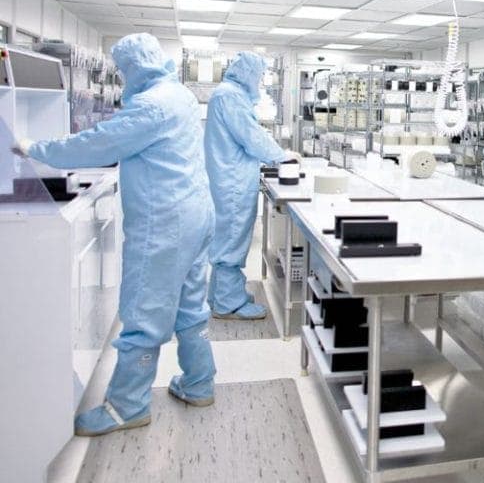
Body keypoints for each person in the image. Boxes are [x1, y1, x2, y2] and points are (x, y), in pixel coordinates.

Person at [12, 33, 216, 436]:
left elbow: (96, 145)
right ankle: (199, 382)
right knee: (190, 306)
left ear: (134, 66)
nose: (122, 78)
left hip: (165, 221)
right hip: (196, 214)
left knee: (144, 310)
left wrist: (34, 147)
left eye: (123, 71)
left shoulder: (151, 106)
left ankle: (127, 406)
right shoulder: (179, 94)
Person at [204, 52, 301, 320]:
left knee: (226, 238)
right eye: (259, 76)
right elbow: (251, 136)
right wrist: (283, 156)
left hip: (228, 177)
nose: (259, 82)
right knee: (232, 240)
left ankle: (220, 295)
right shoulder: (230, 96)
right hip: (233, 181)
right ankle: (227, 304)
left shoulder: (227, 93)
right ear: (248, 73)